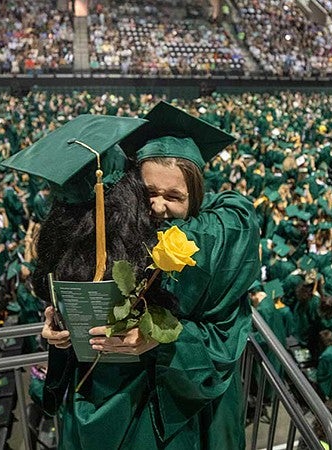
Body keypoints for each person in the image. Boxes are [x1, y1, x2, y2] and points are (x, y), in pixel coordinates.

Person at [20, 104, 260, 449]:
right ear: (133, 188)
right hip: (152, 404)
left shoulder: (193, 238)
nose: (159, 207)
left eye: (175, 195)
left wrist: (161, 337)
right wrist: (63, 324)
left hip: (131, 402)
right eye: (149, 193)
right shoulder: (206, 233)